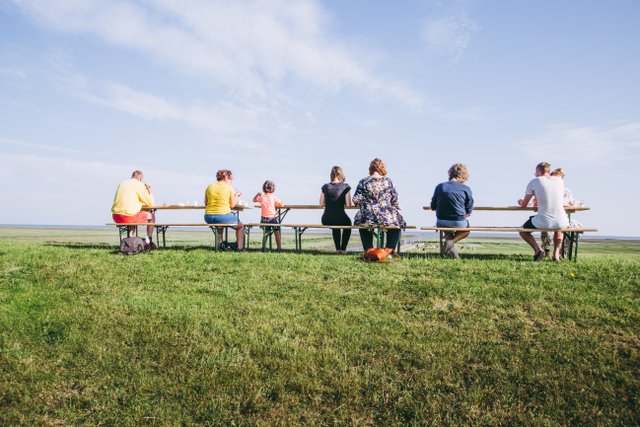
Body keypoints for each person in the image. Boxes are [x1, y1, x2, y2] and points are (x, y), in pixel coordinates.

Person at [352, 158, 406, 254]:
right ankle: (389, 250)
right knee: (397, 224)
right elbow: (395, 199)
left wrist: (366, 200)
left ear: (371, 169)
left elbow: (355, 200)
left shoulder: (364, 181)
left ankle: (369, 249)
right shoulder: (388, 181)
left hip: (368, 215)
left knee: (362, 223)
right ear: (382, 169)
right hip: (386, 216)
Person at [518, 162, 569, 261]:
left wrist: (520, 201)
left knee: (522, 230)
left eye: (535, 172)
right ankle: (556, 253)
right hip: (562, 220)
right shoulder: (559, 181)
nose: (535, 174)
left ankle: (538, 250)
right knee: (559, 228)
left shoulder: (535, 181)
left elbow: (524, 204)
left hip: (543, 221)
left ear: (538, 171)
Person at [430, 163, 474, 259]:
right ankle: (451, 242)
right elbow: (469, 209)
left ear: (450, 174)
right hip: (459, 222)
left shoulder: (440, 186)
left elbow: (433, 206)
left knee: (448, 232)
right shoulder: (466, 189)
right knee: (466, 230)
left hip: (441, 221)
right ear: (463, 175)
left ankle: (455, 255)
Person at [111, 170, 156, 249]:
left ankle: (130, 238)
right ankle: (148, 241)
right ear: (141, 178)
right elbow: (151, 203)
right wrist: (150, 191)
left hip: (116, 216)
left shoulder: (122, 183)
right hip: (128, 217)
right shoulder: (139, 185)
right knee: (152, 216)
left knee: (135, 213)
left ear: (132, 176)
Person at [204, 169, 244, 251]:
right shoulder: (229, 188)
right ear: (226, 177)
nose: (231, 181)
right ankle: (240, 248)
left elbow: (206, 203)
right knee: (240, 226)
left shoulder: (210, 186)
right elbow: (232, 205)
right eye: (230, 179)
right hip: (222, 216)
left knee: (220, 226)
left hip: (208, 217)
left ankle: (219, 247)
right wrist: (236, 195)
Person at [540, 167, 576, 255]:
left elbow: (573, 208)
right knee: (547, 228)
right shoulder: (546, 191)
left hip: (563, 219)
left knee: (567, 228)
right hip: (549, 218)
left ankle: (562, 252)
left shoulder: (567, 191)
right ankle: (547, 251)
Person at [319, 166, 353, 254]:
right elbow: (348, 205)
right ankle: (343, 249)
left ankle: (338, 249)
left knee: (335, 225)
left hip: (326, 218)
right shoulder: (345, 187)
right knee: (348, 224)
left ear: (331, 175)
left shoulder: (325, 187)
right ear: (341, 174)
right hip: (340, 217)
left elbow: (321, 204)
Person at [253, 180, 284, 251]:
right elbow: (282, 205)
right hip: (272, 219)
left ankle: (263, 247)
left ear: (263, 188)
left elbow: (254, 200)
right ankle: (279, 248)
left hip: (264, 219)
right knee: (276, 233)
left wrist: (257, 194)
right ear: (273, 189)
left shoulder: (262, 197)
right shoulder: (273, 197)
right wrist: (275, 204)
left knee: (266, 234)